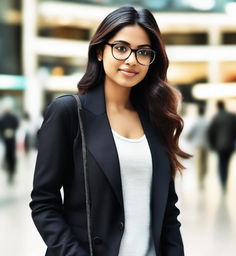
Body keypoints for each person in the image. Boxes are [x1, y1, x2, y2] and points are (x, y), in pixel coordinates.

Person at [30, 6, 190, 256]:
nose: (131, 60)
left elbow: (168, 211)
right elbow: (44, 203)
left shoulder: (157, 118)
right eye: (121, 48)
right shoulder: (68, 112)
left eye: (143, 52)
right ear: (100, 51)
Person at [207, 100, 236, 193]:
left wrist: (212, 144)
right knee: (227, 163)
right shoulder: (232, 116)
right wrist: (235, 140)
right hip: (231, 145)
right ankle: (225, 180)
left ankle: (223, 182)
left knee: (221, 164)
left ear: (218, 107)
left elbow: (211, 132)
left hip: (219, 145)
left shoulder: (216, 118)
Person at [187, 104, 209, 190]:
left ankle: (200, 179)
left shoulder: (196, 122)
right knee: (205, 162)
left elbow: (190, 133)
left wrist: (189, 139)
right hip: (206, 145)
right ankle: (203, 177)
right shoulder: (207, 122)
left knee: (199, 163)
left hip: (197, 145)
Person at [0, 106, 19, 184]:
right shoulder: (5, 118)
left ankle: (11, 170)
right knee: (10, 155)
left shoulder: (6, 118)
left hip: (9, 139)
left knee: (10, 155)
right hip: (8, 139)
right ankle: (10, 170)